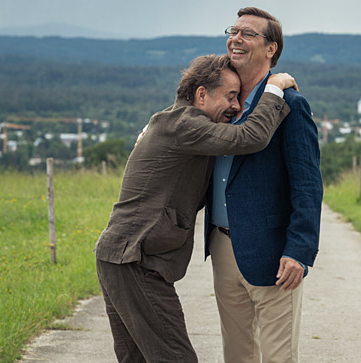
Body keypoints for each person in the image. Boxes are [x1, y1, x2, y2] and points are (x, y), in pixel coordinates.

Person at [95, 54, 297, 363]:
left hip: (118, 256)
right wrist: (275, 88)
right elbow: (250, 137)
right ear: (201, 94)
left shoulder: (174, 123)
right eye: (231, 96)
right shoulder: (183, 124)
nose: (237, 106)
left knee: (136, 358)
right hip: (136, 259)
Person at [204, 8, 323, 363]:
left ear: (271, 49)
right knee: (237, 354)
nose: (235, 39)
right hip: (222, 246)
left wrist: (299, 250)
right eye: (233, 31)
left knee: (277, 356)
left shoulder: (291, 105)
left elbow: (308, 184)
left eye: (248, 34)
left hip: (274, 252)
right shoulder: (220, 105)